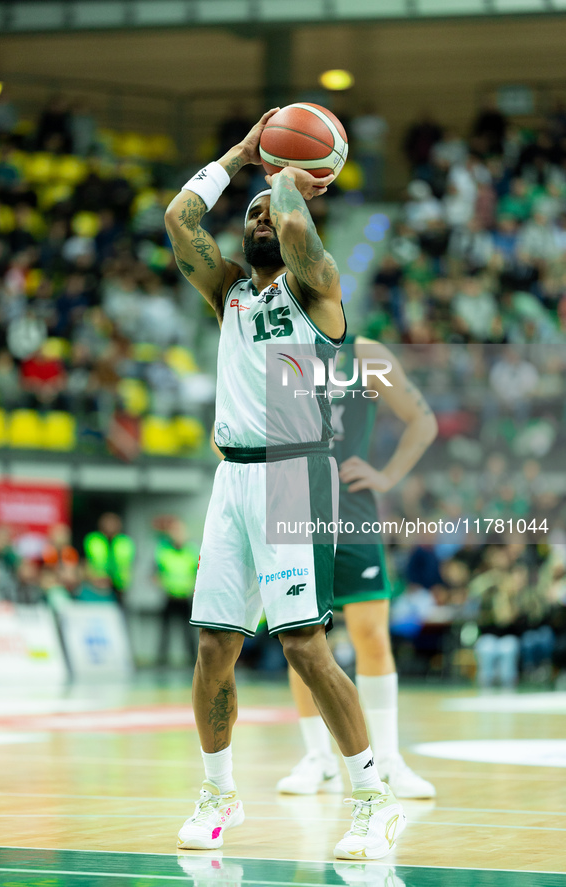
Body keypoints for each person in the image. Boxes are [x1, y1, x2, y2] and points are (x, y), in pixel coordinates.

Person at [164, 108, 406, 860]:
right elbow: (179, 215)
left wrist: (291, 180)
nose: (263, 216)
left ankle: (372, 795)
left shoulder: (319, 291)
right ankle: (217, 792)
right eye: (255, 211)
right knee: (211, 649)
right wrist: (241, 154)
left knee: (305, 645)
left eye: (273, 209)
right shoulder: (228, 291)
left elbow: (302, 238)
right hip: (230, 479)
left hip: (293, 476)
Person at [277, 334, 438, 799]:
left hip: (353, 511)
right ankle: (318, 758)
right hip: (297, 510)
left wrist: (388, 475)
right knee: (303, 637)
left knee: (371, 634)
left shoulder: (365, 355)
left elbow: (421, 422)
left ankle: (388, 757)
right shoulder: (278, 350)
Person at [153, 515, 199, 667]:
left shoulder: (192, 551)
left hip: (186, 597)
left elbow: (198, 573)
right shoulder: (162, 551)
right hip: (169, 596)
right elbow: (155, 573)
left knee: (189, 633)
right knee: (165, 632)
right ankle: (161, 660)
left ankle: (193, 660)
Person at [83, 512, 135, 605]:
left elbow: (129, 564)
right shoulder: (93, 539)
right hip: (98, 584)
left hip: (119, 586)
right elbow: (87, 562)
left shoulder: (125, 541)